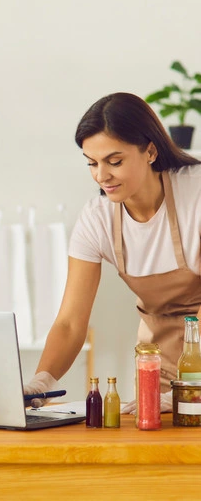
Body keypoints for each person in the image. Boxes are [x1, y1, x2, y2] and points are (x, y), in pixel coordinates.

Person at [22, 92, 201, 413]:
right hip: (158, 360)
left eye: (114, 161)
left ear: (150, 151)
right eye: (92, 163)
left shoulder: (196, 194)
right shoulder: (97, 218)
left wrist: (191, 386)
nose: (101, 176)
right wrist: (42, 380)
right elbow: (70, 322)